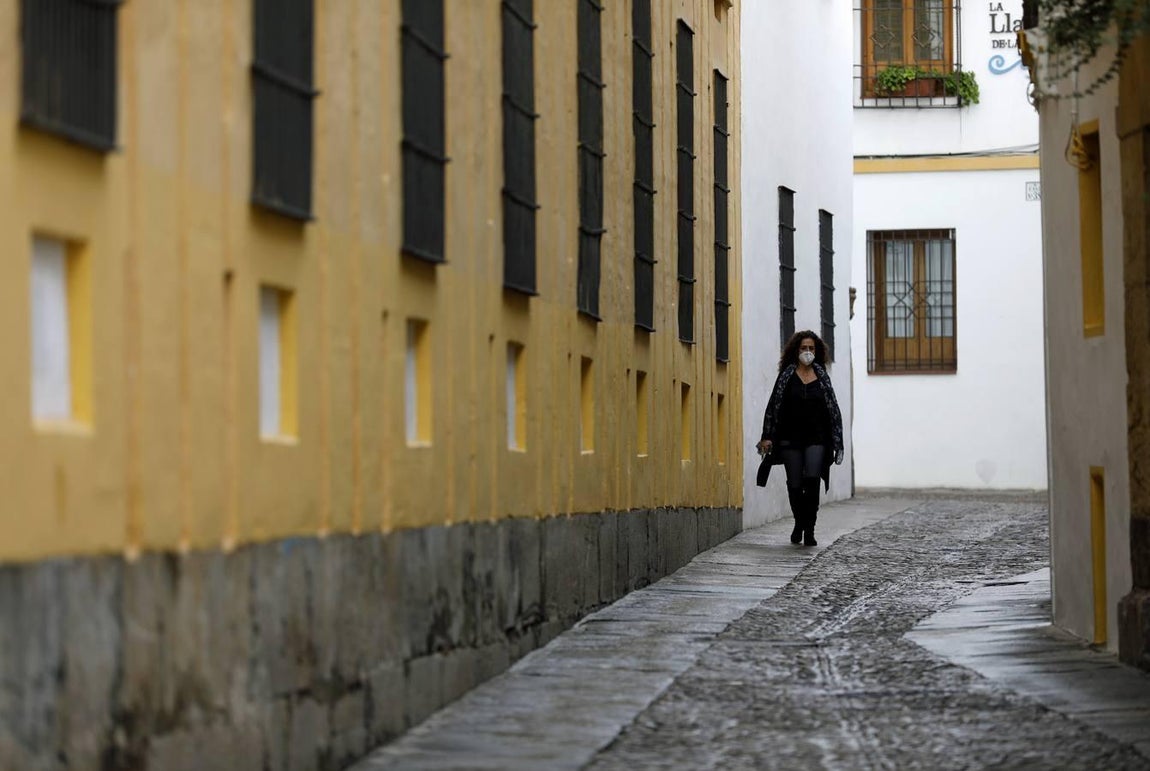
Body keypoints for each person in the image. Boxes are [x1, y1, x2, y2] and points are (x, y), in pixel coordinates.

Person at [755, 330, 844, 546]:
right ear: (796, 351)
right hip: (789, 438)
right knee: (794, 484)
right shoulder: (786, 376)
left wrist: (837, 440)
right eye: (803, 348)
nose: (807, 352)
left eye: (811, 348)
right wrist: (767, 436)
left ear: (817, 351)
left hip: (817, 438)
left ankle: (810, 530)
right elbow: (773, 406)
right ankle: (799, 523)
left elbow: (833, 409)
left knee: (812, 482)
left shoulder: (822, 377)